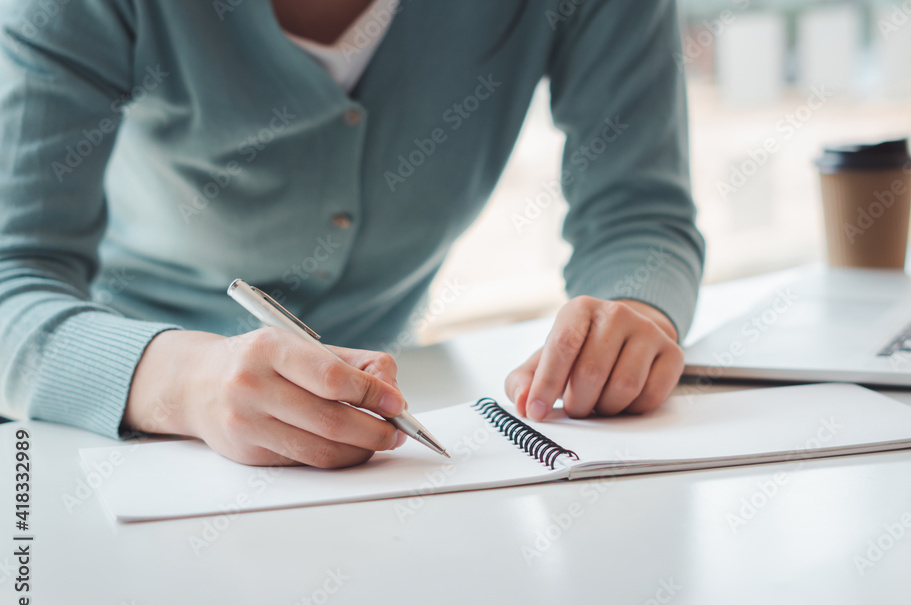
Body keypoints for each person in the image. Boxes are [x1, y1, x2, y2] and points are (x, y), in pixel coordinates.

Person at [0, 0, 704, 468]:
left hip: (379, 460)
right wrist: (187, 382)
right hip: (107, 441)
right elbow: (13, 279)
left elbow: (639, 212)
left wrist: (633, 314)